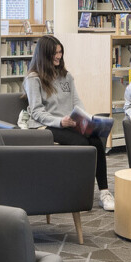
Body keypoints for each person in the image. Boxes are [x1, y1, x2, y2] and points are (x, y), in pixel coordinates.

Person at [21, 34, 113, 211]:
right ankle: (77, 191)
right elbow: (37, 112)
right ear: (44, 54)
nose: (59, 56)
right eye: (55, 53)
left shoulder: (66, 76)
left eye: (60, 52)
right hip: (45, 126)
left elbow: (76, 101)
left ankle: (104, 192)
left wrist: (85, 118)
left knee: (95, 140)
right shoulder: (34, 79)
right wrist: (59, 122)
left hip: (69, 122)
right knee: (80, 142)